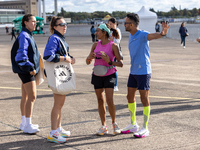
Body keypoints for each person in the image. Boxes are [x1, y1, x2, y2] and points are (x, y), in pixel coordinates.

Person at [121, 13, 170, 138]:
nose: (124, 25)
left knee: (144, 98)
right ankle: (133, 124)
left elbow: (153, 36)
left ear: (131, 24)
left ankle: (145, 128)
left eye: (126, 23)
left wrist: (163, 33)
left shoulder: (142, 34)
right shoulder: (131, 36)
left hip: (143, 71)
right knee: (129, 97)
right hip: (133, 71)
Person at [86, 23, 123, 136]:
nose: (96, 33)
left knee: (110, 100)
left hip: (109, 74)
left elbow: (121, 64)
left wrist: (109, 61)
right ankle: (103, 126)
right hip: (97, 74)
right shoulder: (95, 44)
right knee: (100, 100)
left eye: (98, 31)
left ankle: (114, 123)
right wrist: (89, 58)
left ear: (104, 32)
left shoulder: (113, 46)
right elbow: (87, 62)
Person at [43, 16, 75, 144]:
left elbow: (62, 54)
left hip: (60, 74)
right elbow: (48, 55)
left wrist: (70, 58)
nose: (64, 26)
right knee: (58, 104)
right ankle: (53, 133)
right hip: (58, 75)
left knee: (59, 104)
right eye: (61, 24)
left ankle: (58, 128)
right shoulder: (54, 38)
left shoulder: (60, 38)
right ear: (54, 27)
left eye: (65, 23)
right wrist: (64, 58)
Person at [11, 14, 40, 134]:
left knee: (25, 96)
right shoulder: (24, 35)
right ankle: (28, 125)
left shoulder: (26, 34)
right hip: (26, 70)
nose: (35, 23)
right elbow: (21, 55)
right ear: (25, 23)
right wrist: (30, 67)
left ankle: (23, 123)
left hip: (23, 70)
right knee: (32, 96)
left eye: (35, 22)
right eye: (32, 21)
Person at [108, 17, 122, 92]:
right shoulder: (110, 31)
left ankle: (115, 85)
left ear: (115, 23)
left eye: (111, 24)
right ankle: (110, 84)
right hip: (110, 52)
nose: (110, 25)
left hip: (115, 52)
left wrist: (111, 38)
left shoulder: (117, 31)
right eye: (109, 24)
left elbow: (117, 41)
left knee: (113, 69)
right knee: (109, 68)